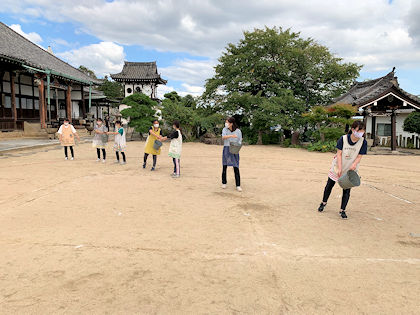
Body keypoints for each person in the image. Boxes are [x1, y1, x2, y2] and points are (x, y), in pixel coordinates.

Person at [318, 120, 368, 219]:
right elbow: (339, 154)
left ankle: (342, 210)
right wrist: (340, 168)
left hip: (350, 168)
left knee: (346, 189)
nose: (361, 133)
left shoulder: (363, 142)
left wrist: (354, 165)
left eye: (362, 131)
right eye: (359, 130)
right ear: (353, 130)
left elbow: (359, 156)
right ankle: (323, 203)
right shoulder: (343, 139)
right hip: (338, 166)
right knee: (329, 186)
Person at [221, 117, 242, 192]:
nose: (226, 123)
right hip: (226, 148)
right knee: (224, 166)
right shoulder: (224, 129)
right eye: (226, 122)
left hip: (234, 149)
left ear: (231, 123)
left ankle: (238, 185)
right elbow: (223, 137)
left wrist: (236, 144)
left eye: (227, 122)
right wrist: (231, 136)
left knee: (236, 166)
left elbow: (240, 141)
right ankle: (224, 182)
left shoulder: (238, 131)